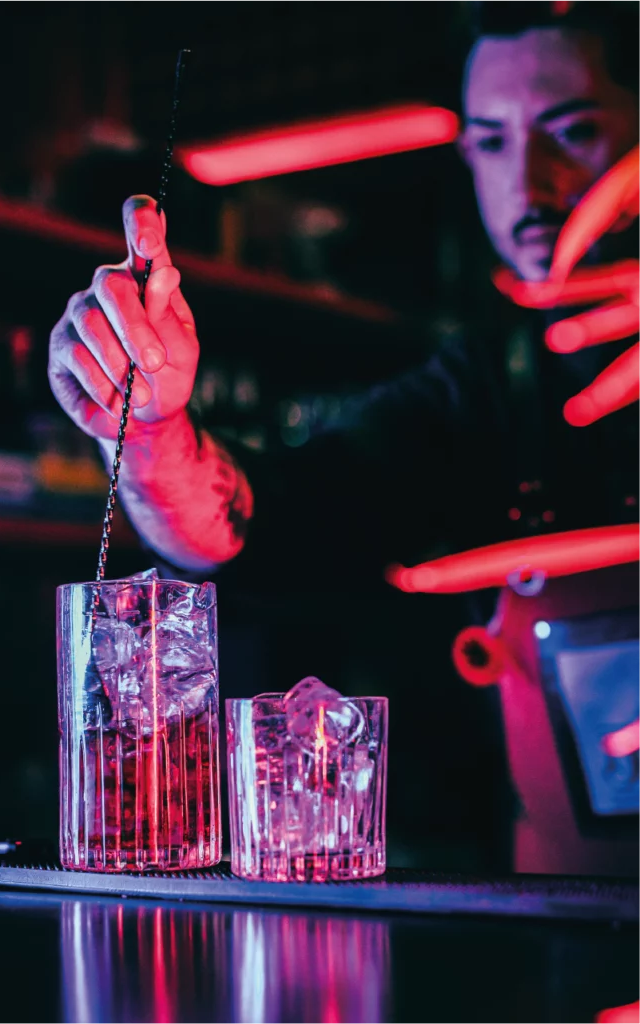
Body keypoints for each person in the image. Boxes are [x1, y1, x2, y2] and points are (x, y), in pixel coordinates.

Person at [48, 0, 640, 875]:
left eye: (574, 130)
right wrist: (150, 428)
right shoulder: (480, 386)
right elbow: (270, 524)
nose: (528, 181)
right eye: (489, 141)